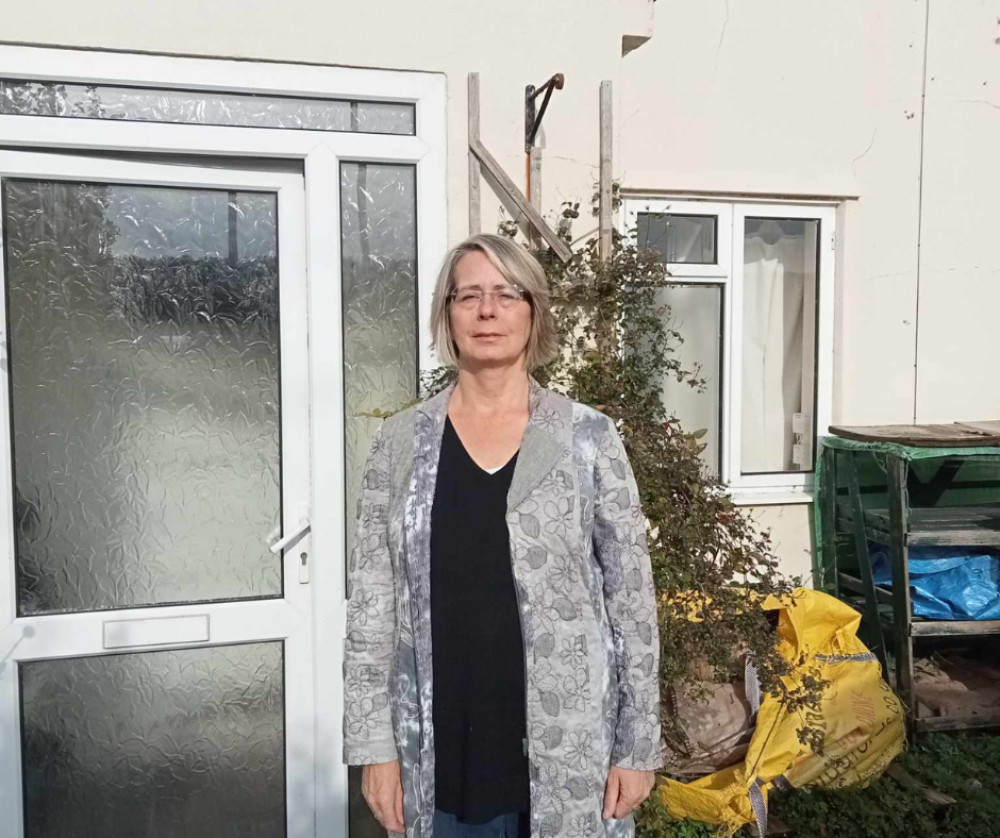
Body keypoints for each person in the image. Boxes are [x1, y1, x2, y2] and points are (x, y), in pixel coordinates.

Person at [343, 234, 662, 838]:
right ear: (448, 315)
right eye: (469, 296)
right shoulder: (401, 444)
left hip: (570, 762)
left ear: (533, 312)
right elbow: (371, 608)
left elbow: (632, 604)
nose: (488, 311)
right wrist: (372, 745)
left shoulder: (587, 439)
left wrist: (638, 745)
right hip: (435, 763)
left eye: (506, 294)